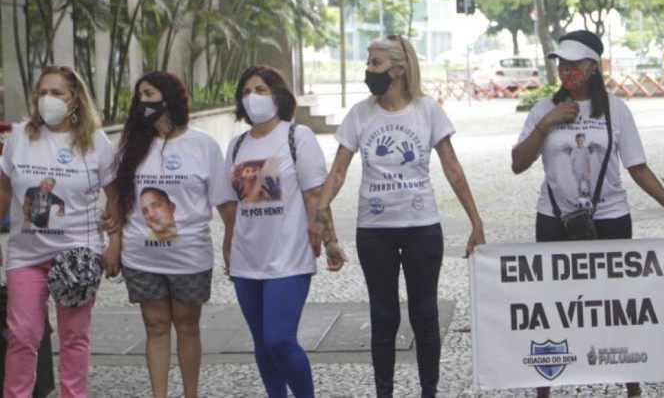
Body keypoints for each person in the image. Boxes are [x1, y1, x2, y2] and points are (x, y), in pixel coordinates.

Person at [511, 29, 664, 398]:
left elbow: (638, 168)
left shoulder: (616, 110)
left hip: (609, 217)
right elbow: (518, 163)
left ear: (592, 67)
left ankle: (631, 384)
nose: (565, 70)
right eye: (561, 63)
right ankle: (545, 384)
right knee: (551, 304)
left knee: (615, 302)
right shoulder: (542, 108)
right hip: (554, 217)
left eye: (573, 63)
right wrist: (545, 124)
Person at [309, 35, 485, 398]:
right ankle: (384, 393)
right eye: (369, 64)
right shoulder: (360, 113)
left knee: (425, 316)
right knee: (384, 317)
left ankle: (428, 391)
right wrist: (320, 213)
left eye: (375, 64)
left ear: (399, 69)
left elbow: (451, 165)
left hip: (422, 228)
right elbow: (339, 170)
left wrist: (476, 221)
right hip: (375, 231)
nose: (368, 71)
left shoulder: (427, 110)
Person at [103, 71, 236, 398]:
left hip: (189, 257)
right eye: (140, 96)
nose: (142, 102)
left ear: (170, 98)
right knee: (156, 327)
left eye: (149, 94)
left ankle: (191, 394)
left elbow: (224, 203)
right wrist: (114, 244)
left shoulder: (202, 145)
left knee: (188, 328)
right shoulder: (132, 146)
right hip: (140, 257)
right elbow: (118, 202)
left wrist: (231, 245)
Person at [223, 65, 346, 398]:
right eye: (247, 91)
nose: (253, 97)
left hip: (289, 257)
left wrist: (330, 240)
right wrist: (228, 249)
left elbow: (314, 194)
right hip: (248, 258)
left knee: (279, 338)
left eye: (261, 90)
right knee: (262, 343)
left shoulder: (296, 136)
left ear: (278, 95)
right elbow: (232, 206)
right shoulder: (236, 146)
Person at [0, 66, 114, 397]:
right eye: (43, 92)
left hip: (76, 254)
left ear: (75, 99)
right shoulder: (19, 137)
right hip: (27, 254)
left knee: (74, 336)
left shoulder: (95, 141)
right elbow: (5, 192)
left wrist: (114, 242)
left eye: (57, 93)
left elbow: (117, 198)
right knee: (22, 334)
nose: (47, 99)